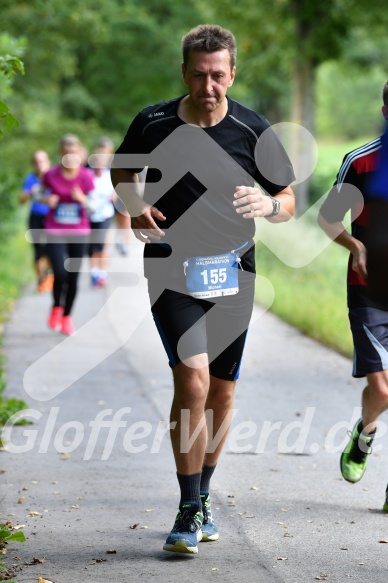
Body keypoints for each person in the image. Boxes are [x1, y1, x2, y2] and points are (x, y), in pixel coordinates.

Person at [111, 24, 295, 554]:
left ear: (232, 73)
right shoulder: (153, 123)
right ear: (184, 72)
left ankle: (204, 493)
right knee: (191, 379)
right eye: (199, 75)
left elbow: (285, 199)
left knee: (221, 390)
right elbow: (122, 176)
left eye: (218, 76)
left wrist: (269, 206)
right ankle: (188, 507)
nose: (208, 86)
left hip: (234, 271)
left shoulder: (253, 129)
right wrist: (134, 207)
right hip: (171, 268)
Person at [318, 81, 388, 512]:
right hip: (369, 290)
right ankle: (364, 437)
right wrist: (356, 247)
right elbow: (328, 219)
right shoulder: (360, 162)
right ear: (384, 109)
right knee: (381, 390)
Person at [42, 134, 95, 335]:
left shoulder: (85, 177)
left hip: (79, 231)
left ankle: (66, 317)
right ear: (60, 153)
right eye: (66, 153)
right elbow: (39, 194)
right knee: (60, 272)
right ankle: (56, 306)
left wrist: (82, 199)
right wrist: (46, 201)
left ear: (79, 153)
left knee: (73, 276)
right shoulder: (50, 174)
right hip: (55, 229)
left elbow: (95, 207)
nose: (70, 157)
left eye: (73, 153)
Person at [19, 150, 53, 293]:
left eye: (42, 161)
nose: (40, 164)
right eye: (37, 161)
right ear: (33, 164)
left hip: (52, 217)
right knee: (38, 249)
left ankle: (50, 275)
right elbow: (21, 200)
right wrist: (30, 192)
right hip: (36, 217)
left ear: (48, 161)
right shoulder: (30, 178)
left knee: (52, 249)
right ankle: (42, 280)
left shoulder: (54, 177)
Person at [87, 148, 115, 287]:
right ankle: (94, 272)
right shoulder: (87, 175)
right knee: (92, 246)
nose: (99, 163)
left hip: (105, 214)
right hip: (89, 215)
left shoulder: (110, 176)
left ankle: (102, 273)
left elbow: (116, 194)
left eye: (102, 161)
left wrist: (114, 196)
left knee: (102, 244)